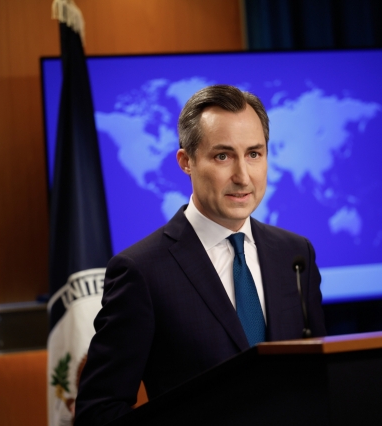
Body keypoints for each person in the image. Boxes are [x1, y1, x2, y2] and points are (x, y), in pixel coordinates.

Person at [74, 85, 326, 425]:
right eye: (222, 156)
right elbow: (98, 411)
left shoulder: (296, 255)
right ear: (186, 162)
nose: (242, 176)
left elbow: (318, 382)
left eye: (254, 154)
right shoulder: (141, 272)